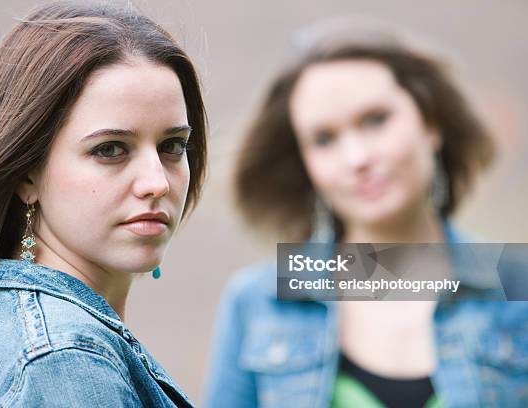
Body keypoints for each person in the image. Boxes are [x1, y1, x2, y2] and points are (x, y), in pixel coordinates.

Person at [204, 23, 528, 408]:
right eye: (324, 139)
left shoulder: (517, 285)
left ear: (431, 123)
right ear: (305, 165)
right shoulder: (257, 302)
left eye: (376, 120)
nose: (357, 158)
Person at [0, 1, 207, 406]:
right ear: (26, 174)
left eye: (172, 146)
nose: (157, 182)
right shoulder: (63, 361)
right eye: (110, 149)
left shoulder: (5, 325)